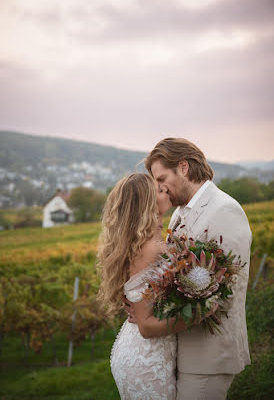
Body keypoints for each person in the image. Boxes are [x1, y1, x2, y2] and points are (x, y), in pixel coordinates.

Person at [126, 137, 252, 400]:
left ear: (183, 167)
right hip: (182, 349)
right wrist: (145, 303)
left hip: (209, 355)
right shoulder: (178, 213)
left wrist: (153, 319)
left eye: (161, 179)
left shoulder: (225, 210)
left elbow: (226, 291)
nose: (159, 189)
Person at [97, 173, 217, 400]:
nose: (167, 191)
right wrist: (200, 313)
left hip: (144, 353)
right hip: (146, 360)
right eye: (160, 190)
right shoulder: (149, 248)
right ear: (147, 204)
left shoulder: (148, 241)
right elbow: (147, 327)